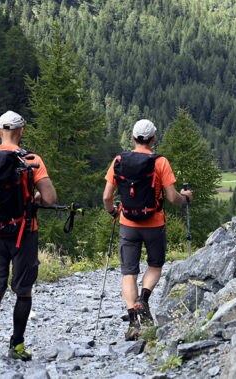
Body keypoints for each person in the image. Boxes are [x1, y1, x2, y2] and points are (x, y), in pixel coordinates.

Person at [0, 110, 57, 362]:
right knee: (23, 291)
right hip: (23, 233)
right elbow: (50, 199)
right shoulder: (30, 159)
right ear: (21, 131)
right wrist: (36, 197)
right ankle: (16, 345)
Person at [102, 119, 192, 340]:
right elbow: (172, 197)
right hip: (154, 224)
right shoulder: (160, 162)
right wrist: (186, 198)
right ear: (153, 139)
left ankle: (134, 321)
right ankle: (144, 298)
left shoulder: (118, 160)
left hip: (128, 224)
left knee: (128, 273)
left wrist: (114, 212)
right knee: (155, 264)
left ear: (133, 137)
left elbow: (106, 197)